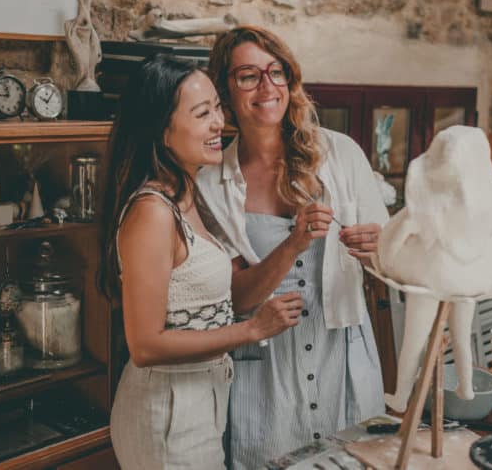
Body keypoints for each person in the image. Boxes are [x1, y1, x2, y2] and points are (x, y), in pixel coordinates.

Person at [197, 26, 387, 469]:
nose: (266, 87)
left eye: (275, 72)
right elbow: (236, 297)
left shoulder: (341, 155)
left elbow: (392, 266)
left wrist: (378, 249)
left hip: (339, 353)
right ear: (225, 90)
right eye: (247, 76)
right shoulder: (210, 185)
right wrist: (293, 242)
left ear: (289, 80)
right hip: (265, 370)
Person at [100, 55, 303, 469]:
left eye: (217, 107)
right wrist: (250, 330)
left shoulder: (187, 195)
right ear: (161, 129)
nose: (219, 123)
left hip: (199, 400)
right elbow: (145, 345)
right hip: (166, 410)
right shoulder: (152, 211)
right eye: (202, 113)